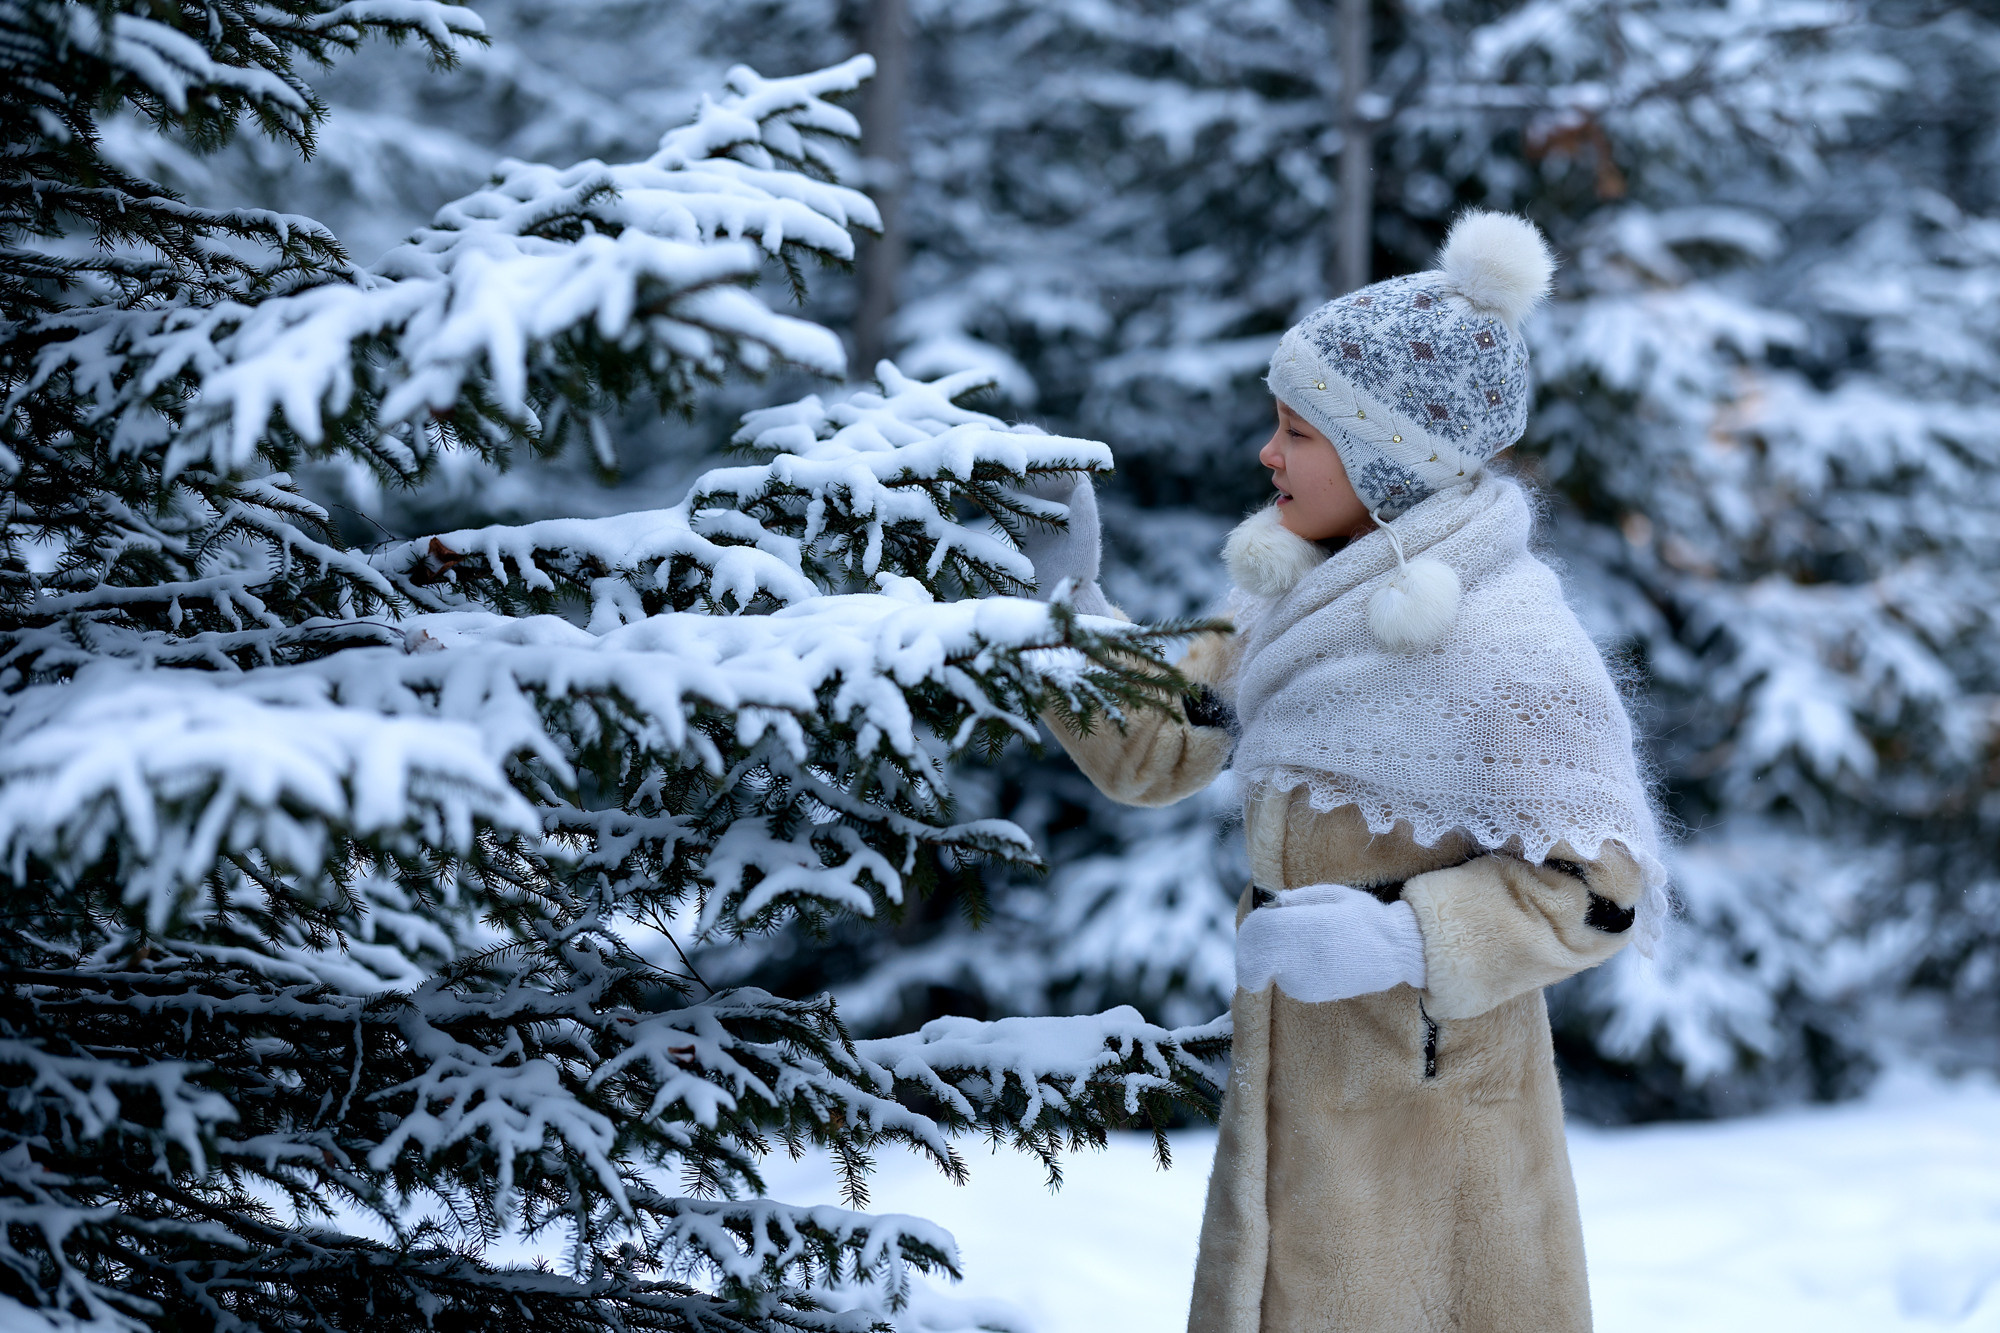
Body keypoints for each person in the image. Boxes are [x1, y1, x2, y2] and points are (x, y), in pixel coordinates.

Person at [1012, 210, 1667, 1333]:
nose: (1266, 454)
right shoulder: (1285, 601)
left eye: (1295, 432)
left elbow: (1598, 891)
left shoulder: (1510, 640)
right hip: (1294, 1089)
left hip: (1434, 1115)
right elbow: (1155, 752)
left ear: (1387, 457)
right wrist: (1062, 611)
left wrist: (1404, 939)